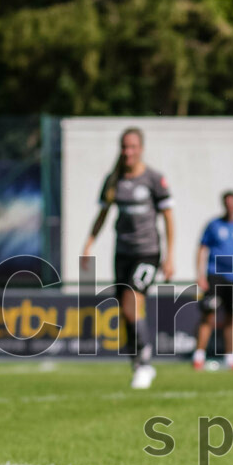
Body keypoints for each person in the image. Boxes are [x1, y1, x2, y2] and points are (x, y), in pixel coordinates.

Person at [81, 128, 174, 389]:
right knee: (124, 311)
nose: (127, 152)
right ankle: (136, 361)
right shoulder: (113, 181)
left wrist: (170, 256)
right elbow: (102, 215)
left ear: (141, 148)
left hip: (147, 253)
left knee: (133, 303)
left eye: (132, 147)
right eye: (124, 147)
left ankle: (145, 362)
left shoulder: (154, 179)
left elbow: (168, 218)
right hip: (122, 253)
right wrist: (88, 244)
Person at [193, 191, 233, 372]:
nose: (230, 206)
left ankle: (231, 359)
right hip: (215, 276)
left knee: (232, 318)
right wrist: (200, 275)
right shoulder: (213, 225)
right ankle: (199, 357)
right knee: (208, 316)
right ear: (224, 204)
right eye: (227, 203)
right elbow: (202, 249)